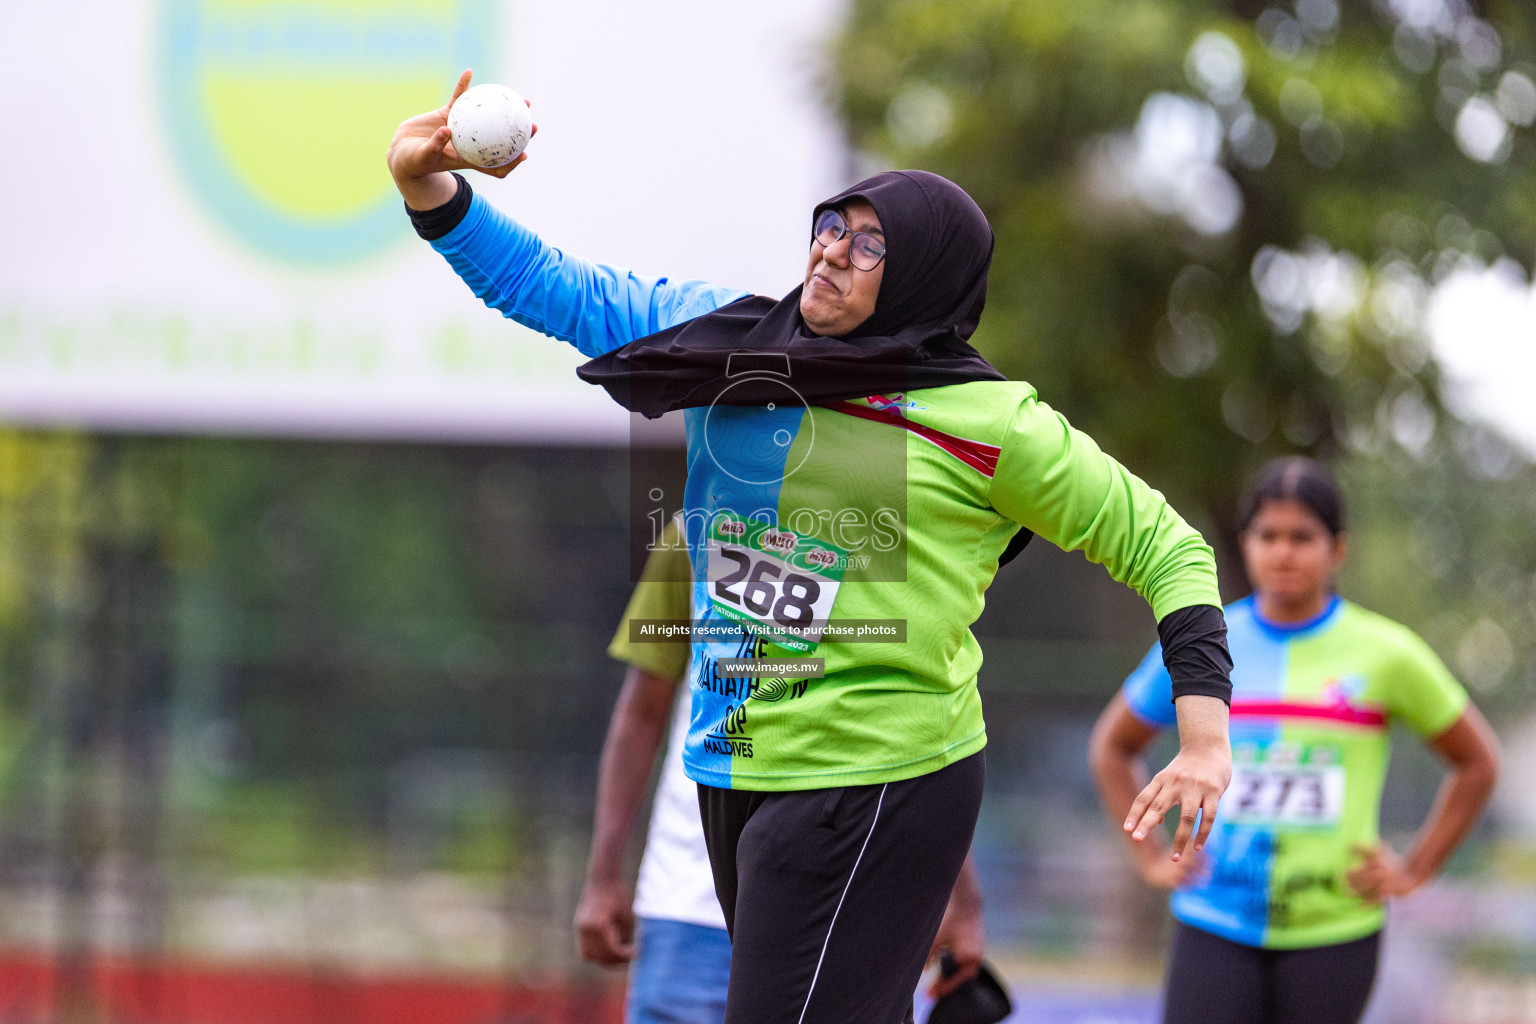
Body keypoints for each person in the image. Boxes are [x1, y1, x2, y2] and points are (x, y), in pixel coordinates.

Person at [389, 71, 1234, 1024]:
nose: (832, 252)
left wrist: (1203, 738)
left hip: (882, 773)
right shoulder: (732, 341)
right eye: (830, 226)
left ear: (923, 274)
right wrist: (431, 192)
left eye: (870, 243)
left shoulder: (990, 422)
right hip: (736, 760)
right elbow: (556, 290)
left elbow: (1170, 548)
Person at [1088, 457, 1501, 1024]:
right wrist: (1151, 860)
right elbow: (1113, 746)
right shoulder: (1202, 641)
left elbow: (1477, 762)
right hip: (1215, 922)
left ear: (1337, 549)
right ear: (1246, 543)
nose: (1283, 552)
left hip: (1334, 932)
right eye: (1268, 535)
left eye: (1302, 537)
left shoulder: (1388, 652)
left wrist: (1414, 870)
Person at [576, 517, 990, 1024]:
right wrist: (602, 874)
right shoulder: (693, 532)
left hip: (831, 904)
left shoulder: (877, 540)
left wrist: (960, 895)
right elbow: (642, 711)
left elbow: (910, 735)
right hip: (690, 899)